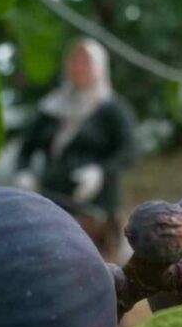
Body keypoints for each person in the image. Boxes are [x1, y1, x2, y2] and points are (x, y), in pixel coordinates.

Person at [15, 37, 138, 258]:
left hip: (97, 207)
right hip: (53, 199)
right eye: (75, 60)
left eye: (85, 61)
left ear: (99, 66)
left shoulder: (112, 109)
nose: (79, 67)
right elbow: (27, 147)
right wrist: (24, 172)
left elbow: (129, 150)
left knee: (92, 265)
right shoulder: (51, 108)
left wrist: (100, 172)